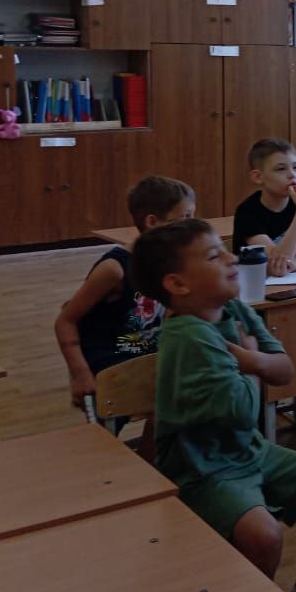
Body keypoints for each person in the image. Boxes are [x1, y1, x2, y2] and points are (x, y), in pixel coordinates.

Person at [132, 219, 296, 592]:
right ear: (177, 284)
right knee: (264, 537)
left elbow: (285, 370)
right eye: (214, 256)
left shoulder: (234, 309)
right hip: (201, 469)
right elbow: (244, 411)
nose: (231, 258)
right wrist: (253, 362)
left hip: (247, 450)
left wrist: (247, 358)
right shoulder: (188, 336)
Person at [55, 175, 194, 451]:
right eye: (184, 218)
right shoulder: (114, 269)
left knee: (175, 398)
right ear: (152, 222)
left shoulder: (169, 263)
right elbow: (65, 320)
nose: (191, 227)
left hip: (147, 354)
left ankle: (150, 461)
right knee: (103, 445)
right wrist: (80, 374)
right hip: (110, 361)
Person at [232, 138, 296, 276]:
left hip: (288, 279)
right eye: (281, 168)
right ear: (258, 177)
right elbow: (277, 260)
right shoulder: (247, 212)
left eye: (295, 167)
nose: (292, 174)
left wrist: (292, 265)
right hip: (254, 284)